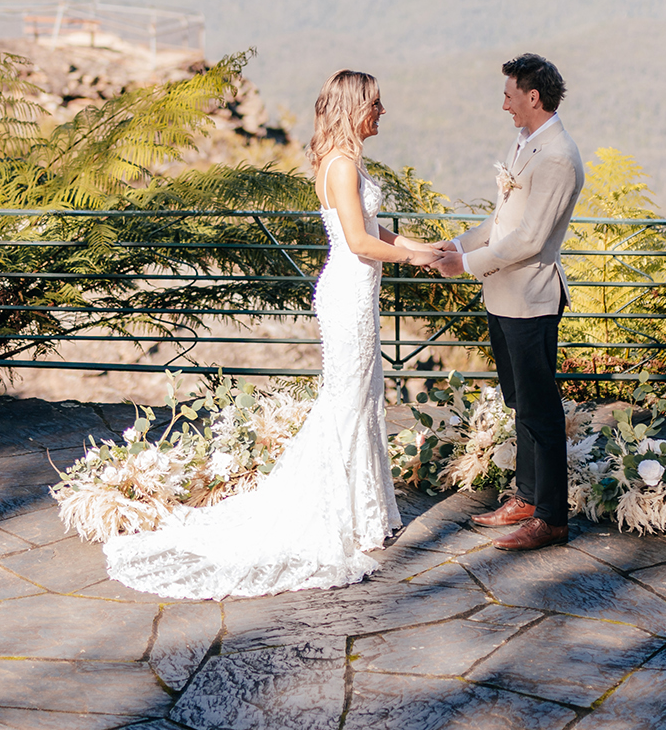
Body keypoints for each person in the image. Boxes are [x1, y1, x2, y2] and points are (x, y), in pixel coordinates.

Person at [103, 70, 440, 598]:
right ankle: (342, 515)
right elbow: (358, 242)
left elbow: (376, 230)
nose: (382, 112)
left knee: (363, 396)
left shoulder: (341, 160)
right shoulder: (343, 164)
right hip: (349, 294)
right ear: (355, 108)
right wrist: (410, 257)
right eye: (375, 104)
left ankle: (362, 511)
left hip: (356, 292)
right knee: (348, 401)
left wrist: (424, 248)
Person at [434, 54, 585, 551]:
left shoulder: (559, 155)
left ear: (532, 97)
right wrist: (458, 244)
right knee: (520, 402)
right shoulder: (526, 144)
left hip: (531, 298)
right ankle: (526, 496)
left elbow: (530, 239)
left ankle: (552, 518)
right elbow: (501, 223)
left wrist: (468, 265)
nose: (504, 105)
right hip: (503, 295)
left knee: (541, 410)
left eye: (508, 95)